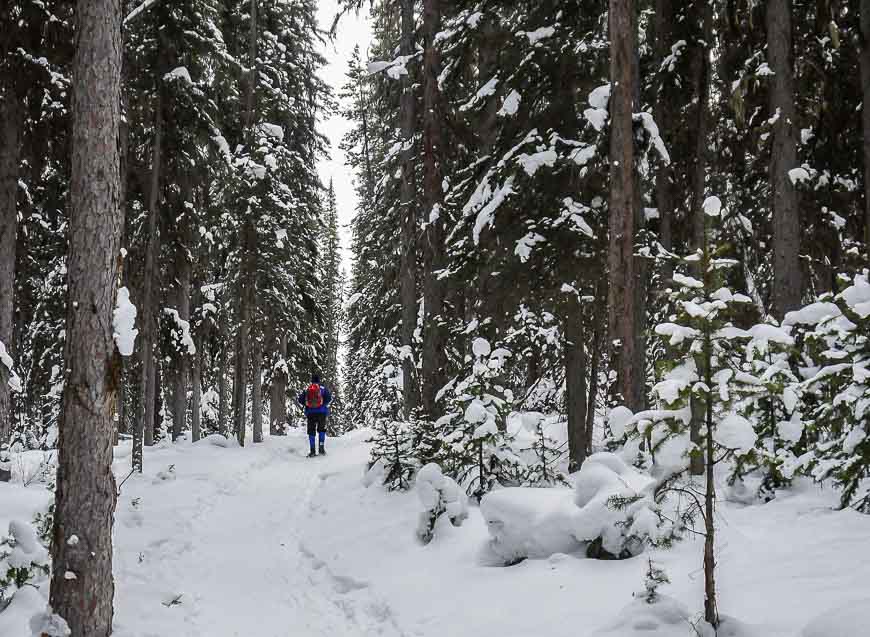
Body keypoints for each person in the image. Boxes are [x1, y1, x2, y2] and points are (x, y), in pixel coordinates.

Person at [298, 374, 332, 457]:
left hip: (310, 413)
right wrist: (322, 404)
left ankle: (312, 451)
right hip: (322, 412)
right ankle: (321, 448)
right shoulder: (323, 389)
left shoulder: (307, 389)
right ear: (319, 381)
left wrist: (307, 404)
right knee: (321, 430)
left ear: (312, 381)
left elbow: (300, 399)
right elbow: (329, 398)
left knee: (311, 431)